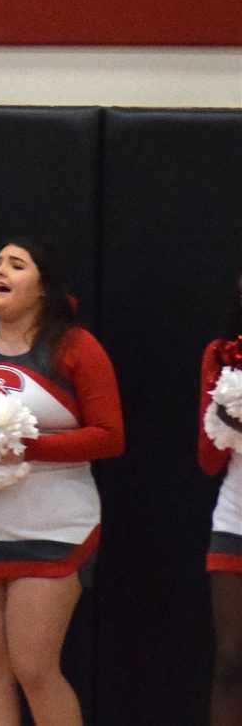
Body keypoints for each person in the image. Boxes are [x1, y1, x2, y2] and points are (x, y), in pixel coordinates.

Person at [0, 238, 123, 726]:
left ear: (43, 287)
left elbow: (109, 437)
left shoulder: (75, 346)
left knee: (35, 667)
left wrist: (26, 448)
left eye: (17, 265)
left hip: (54, 526)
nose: (0, 270)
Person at [205, 270, 242, 726]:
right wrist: (225, 423)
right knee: (231, 660)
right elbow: (207, 461)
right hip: (235, 521)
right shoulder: (222, 356)